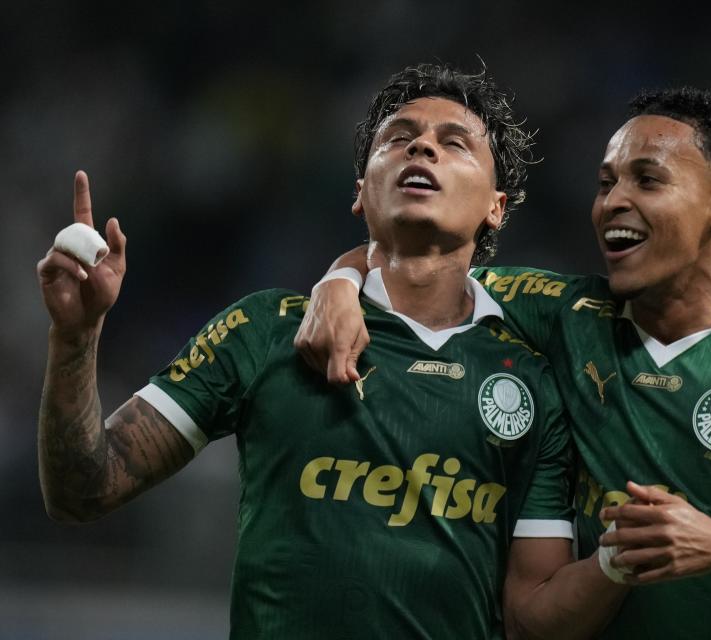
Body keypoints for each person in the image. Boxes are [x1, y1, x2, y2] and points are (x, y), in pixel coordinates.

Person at [296, 87, 711, 639]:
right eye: (605, 182)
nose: (612, 202)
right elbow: (421, 264)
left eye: (647, 180)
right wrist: (339, 281)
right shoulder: (567, 313)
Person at [36, 63, 629, 639]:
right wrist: (76, 338)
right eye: (398, 139)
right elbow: (82, 491)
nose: (421, 149)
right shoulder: (264, 330)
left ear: (496, 207)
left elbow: (533, 617)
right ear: (359, 194)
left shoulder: (531, 381)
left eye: (455, 144)